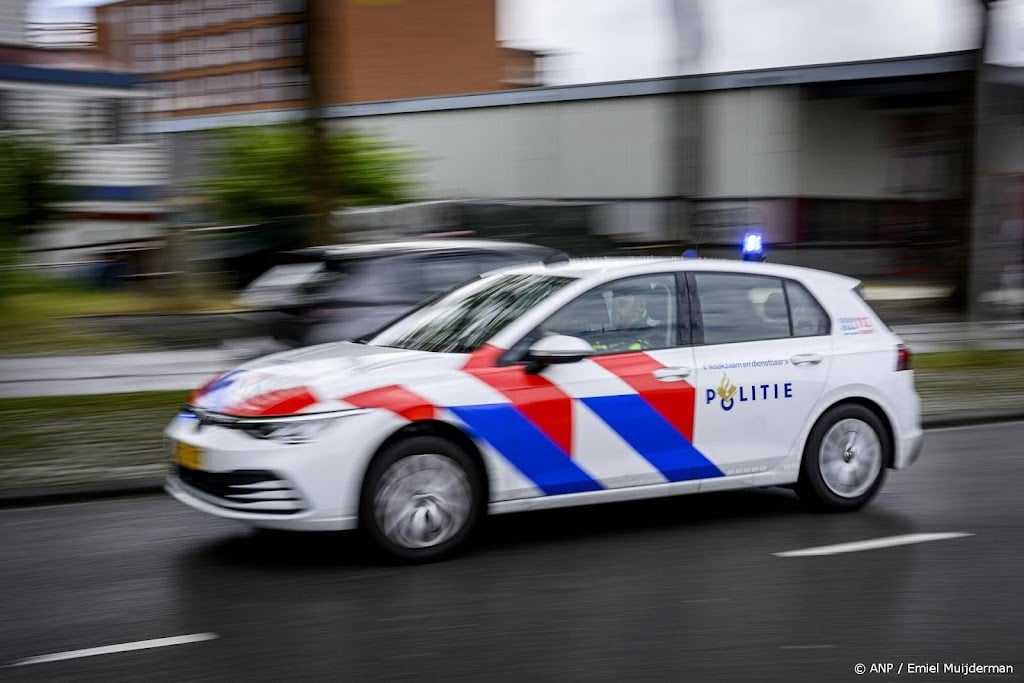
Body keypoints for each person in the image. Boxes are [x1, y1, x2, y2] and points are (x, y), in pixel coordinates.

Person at [592, 282, 661, 352]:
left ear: (641, 305)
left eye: (622, 302)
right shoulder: (602, 337)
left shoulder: (654, 341)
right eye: (613, 301)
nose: (615, 307)